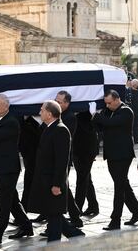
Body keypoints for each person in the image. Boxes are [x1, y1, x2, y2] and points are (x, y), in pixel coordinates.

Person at [0, 94, 33, 245]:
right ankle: (26, 227)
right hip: (0, 167)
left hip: (9, 169)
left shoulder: (11, 122)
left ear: (6, 106)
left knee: (4, 203)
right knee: (13, 201)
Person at [92, 90, 138, 230]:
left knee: (119, 187)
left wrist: (96, 115)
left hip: (123, 154)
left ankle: (115, 220)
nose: (107, 105)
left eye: (109, 102)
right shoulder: (109, 111)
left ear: (117, 99)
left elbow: (110, 123)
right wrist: (96, 117)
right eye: (106, 103)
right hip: (111, 154)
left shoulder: (126, 111)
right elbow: (99, 127)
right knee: (122, 184)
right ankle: (137, 212)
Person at [28, 100, 80, 242]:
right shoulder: (49, 127)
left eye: (42, 110)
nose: (40, 112)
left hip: (53, 181)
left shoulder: (60, 130)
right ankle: (74, 234)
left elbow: (62, 161)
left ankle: (54, 244)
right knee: (52, 212)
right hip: (46, 179)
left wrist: (57, 184)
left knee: (54, 215)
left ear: (49, 114)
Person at [55, 91, 83, 227]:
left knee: (61, 188)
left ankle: (67, 220)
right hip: (54, 158)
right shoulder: (58, 115)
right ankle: (75, 217)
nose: (57, 103)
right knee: (63, 188)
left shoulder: (70, 117)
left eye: (59, 102)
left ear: (67, 103)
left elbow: (64, 138)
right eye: (56, 100)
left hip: (63, 158)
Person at [73, 111, 100, 216]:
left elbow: (91, 129)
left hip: (86, 150)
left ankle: (77, 209)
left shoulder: (86, 114)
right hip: (78, 149)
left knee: (82, 179)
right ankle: (93, 206)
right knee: (86, 178)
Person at [19, 116, 42, 211]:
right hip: (28, 156)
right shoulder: (23, 120)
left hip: (37, 156)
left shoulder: (37, 122)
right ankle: (25, 208)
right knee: (29, 183)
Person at [130, 79, 138, 143]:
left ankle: (137, 138)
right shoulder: (130, 92)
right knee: (134, 126)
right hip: (133, 111)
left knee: (137, 126)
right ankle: (135, 139)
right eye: (137, 83)